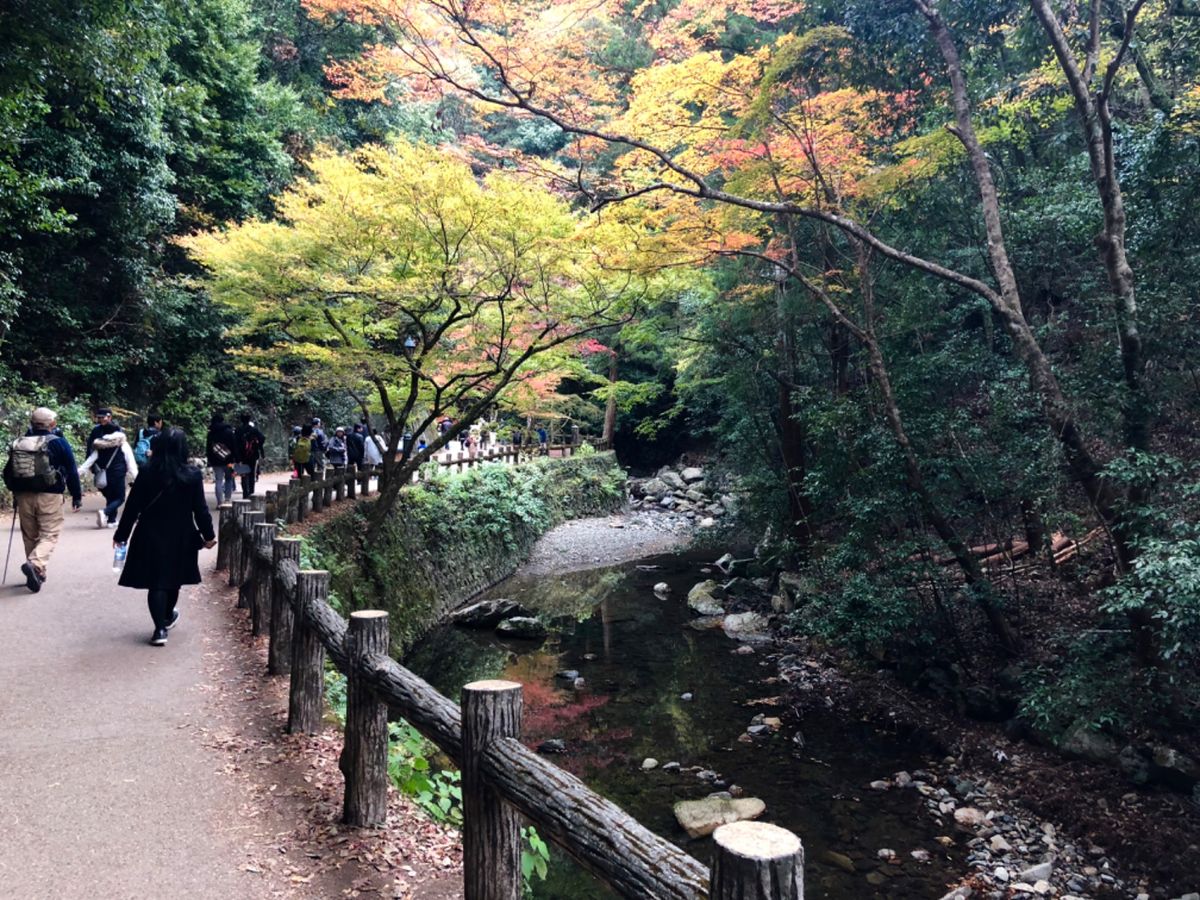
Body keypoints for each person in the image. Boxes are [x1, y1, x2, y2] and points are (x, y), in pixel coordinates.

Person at [113, 427, 216, 646]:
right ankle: (167, 615)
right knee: (173, 580)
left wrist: (121, 535)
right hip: (182, 535)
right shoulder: (192, 475)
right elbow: (200, 509)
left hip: (149, 533)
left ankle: (160, 629)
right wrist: (208, 536)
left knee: (156, 582)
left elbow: (132, 508)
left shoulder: (147, 473)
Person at [2, 407, 83, 592]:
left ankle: (38, 572)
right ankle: (35, 563)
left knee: (30, 535)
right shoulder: (59, 443)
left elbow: (8, 472)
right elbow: (71, 470)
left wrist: (16, 493)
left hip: (23, 496)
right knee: (49, 534)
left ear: (32, 423)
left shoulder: (20, 443)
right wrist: (76, 496)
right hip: (50, 495)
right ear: (52, 424)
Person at [80, 420, 138, 528]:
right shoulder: (122, 445)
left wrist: (78, 473)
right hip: (118, 476)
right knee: (120, 498)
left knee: (111, 498)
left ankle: (111, 521)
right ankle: (105, 512)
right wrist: (137, 478)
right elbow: (131, 463)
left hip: (103, 477)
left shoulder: (100, 446)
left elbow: (90, 461)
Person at [205, 414, 237, 505]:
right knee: (229, 479)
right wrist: (236, 458)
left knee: (218, 480)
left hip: (216, 461)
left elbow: (208, 448)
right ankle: (227, 499)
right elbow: (234, 447)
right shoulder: (229, 432)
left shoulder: (211, 433)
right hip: (229, 461)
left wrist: (209, 460)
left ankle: (219, 502)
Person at [233, 413, 265, 498]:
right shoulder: (254, 430)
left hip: (242, 456)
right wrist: (257, 446)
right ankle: (251, 491)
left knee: (243, 474)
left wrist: (237, 456)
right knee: (251, 474)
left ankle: (245, 493)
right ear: (249, 420)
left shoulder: (238, 430)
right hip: (252, 454)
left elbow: (235, 444)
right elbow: (262, 438)